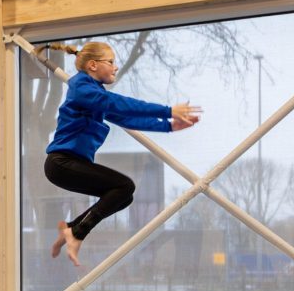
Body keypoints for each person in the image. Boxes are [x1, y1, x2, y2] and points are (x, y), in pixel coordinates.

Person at [39, 41, 202, 267]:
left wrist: (169, 125)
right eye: (111, 62)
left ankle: (72, 229)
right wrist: (167, 110)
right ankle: (78, 232)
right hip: (62, 163)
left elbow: (126, 118)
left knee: (124, 196)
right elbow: (118, 103)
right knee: (124, 186)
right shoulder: (81, 88)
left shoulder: (94, 94)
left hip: (69, 164)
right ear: (93, 65)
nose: (115, 67)